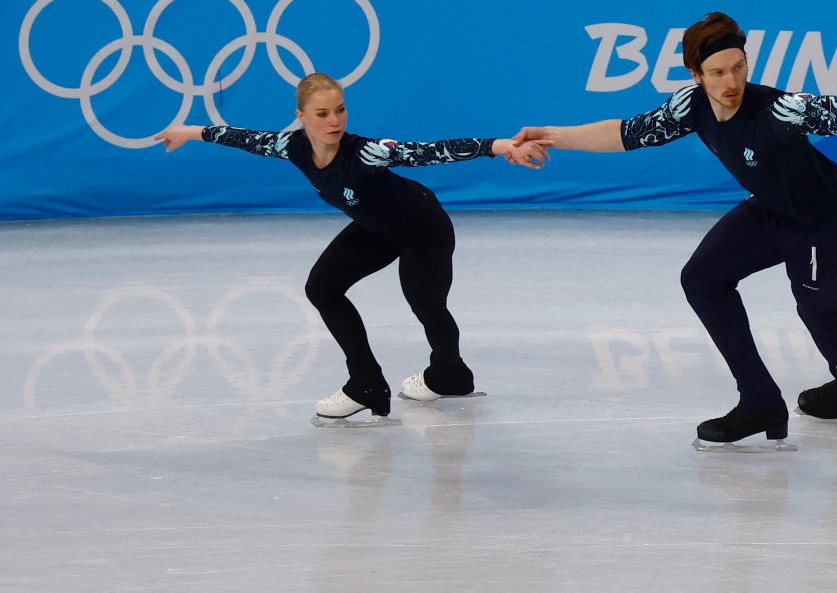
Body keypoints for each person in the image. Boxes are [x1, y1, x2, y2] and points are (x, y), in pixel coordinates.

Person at [511, 12, 837, 445]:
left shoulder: (780, 110)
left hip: (828, 223)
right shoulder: (691, 106)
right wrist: (550, 135)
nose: (731, 81)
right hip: (770, 211)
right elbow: (625, 133)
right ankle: (761, 400)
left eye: (739, 67)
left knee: (815, 307)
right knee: (702, 279)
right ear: (695, 74)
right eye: (718, 72)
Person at [156, 72, 550, 420]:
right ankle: (366, 384)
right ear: (302, 117)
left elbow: (431, 151)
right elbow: (244, 138)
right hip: (376, 226)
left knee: (425, 304)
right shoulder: (291, 146)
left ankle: (450, 375)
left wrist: (502, 146)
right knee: (322, 288)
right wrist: (190, 131)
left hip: (422, 227)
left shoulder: (366, 152)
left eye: (340, 110)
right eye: (323, 113)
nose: (335, 121)